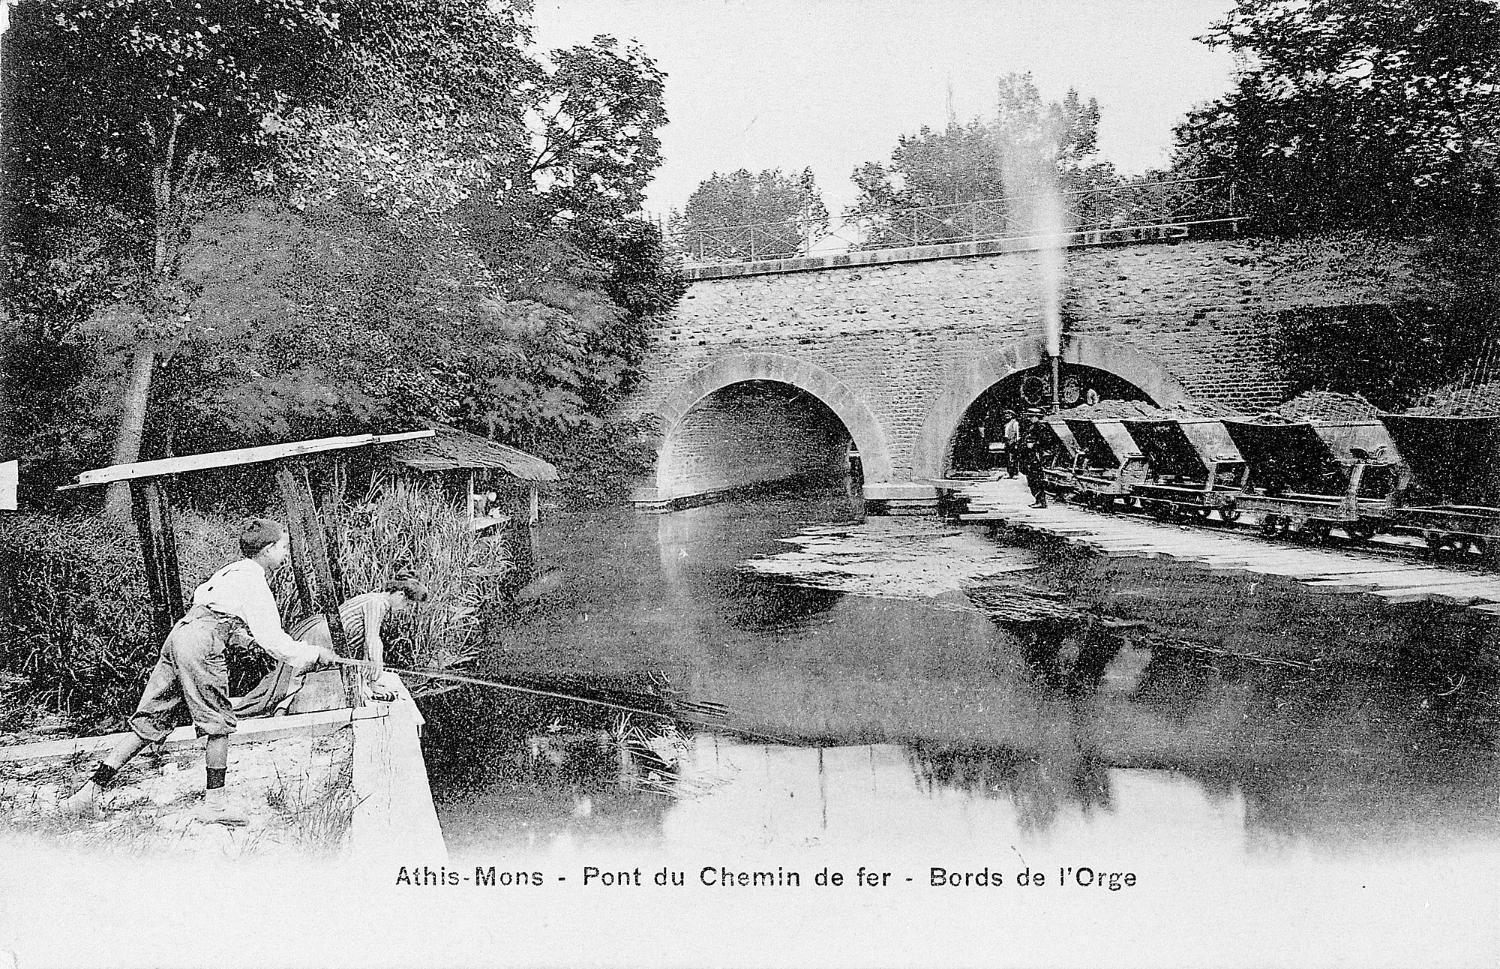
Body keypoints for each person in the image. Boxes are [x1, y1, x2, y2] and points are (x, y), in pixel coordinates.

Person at [61, 519, 338, 824]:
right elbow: (275, 641)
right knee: (218, 723)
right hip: (200, 646)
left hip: (181, 635)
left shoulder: (229, 571)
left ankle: (87, 793)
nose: (285, 554)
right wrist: (314, 653)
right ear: (268, 549)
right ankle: (215, 807)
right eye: (283, 548)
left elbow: (207, 607)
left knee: (152, 718)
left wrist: (235, 635)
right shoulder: (254, 582)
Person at [233, 572, 431, 716]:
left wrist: (371, 679)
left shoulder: (371, 599)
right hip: (323, 637)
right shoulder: (377, 603)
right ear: (399, 595)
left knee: (292, 677)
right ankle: (270, 711)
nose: (405, 609)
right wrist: (376, 672)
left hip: (324, 635)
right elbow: (372, 640)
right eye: (407, 604)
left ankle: (275, 709)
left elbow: (363, 645)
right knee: (292, 678)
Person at [1020, 420, 1052, 508]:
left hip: (1035, 459)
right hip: (1032, 458)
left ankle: (1041, 501)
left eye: (1031, 416)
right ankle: (1038, 500)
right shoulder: (1033, 427)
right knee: (1033, 481)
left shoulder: (1039, 427)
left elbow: (1033, 444)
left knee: (1036, 481)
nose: (1029, 418)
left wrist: (1031, 444)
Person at [1001, 410, 1022, 478]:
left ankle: (1015, 473)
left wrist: (1016, 443)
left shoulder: (1015, 423)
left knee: (1013, 458)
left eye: (1008, 415)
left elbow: (1017, 434)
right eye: (1006, 415)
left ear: (1012, 415)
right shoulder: (1007, 424)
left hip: (1013, 442)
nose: (1006, 416)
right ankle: (1009, 473)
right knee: (1008, 458)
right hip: (1007, 442)